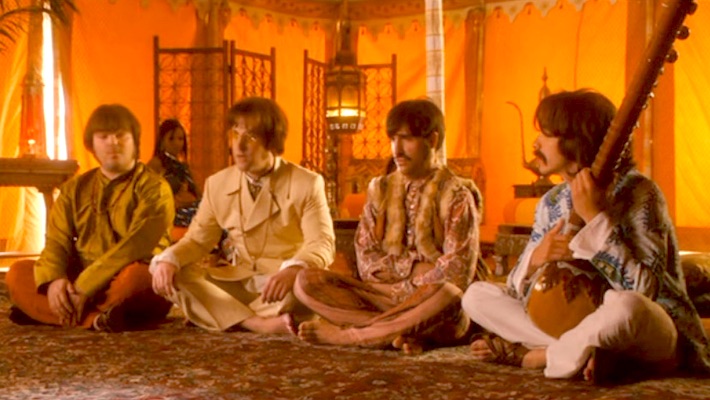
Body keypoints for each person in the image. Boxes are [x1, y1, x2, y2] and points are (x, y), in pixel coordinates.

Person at [461, 89, 710, 383]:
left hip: (653, 330)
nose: (536, 143)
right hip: (573, 325)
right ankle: (583, 350)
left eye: (547, 134)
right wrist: (535, 259)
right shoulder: (551, 202)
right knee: (476, 296)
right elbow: (517, 290)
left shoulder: (641, 194)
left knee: (627, 307)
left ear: (577, 141)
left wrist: (596, 218)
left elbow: (644, 292)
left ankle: (540, 356)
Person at [294, 99, 487, 353]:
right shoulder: (381, 190)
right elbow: (366, 264)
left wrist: (399, 285)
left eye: (406, 139)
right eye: (393, 139)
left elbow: (456, 275)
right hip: (384, 300)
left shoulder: (457, 195)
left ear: (432, 140)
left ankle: (352, 335)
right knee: (305, 282)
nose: (397, 150)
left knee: (449, 293)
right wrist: (415, 270)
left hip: (436, 306)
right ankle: (403, 332)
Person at [150, 97, 335, 334]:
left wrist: (293, 270)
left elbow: (321, 242)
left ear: (272, 141)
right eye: (235, 134)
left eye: (251, 136)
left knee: (306, 287)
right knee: (172, 273)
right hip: (239, 282)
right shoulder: (217, 184)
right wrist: (170, 259)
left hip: (283, 285)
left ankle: (219, 313)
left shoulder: (307, 183)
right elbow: (197, 241)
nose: (239, 145)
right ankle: (256, 323)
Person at [5, 104, 175, 332]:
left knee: (139, 278)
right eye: (103, 136)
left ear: (135, 142)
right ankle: (96, 320)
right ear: (91, 144)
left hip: (124, 276)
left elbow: (136, 246)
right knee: (18, 273)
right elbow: (56, 242)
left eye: (121, 135)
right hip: (79, 278)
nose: (113, 143)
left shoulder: (155, 188)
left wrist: (85, 286)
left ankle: (51, 312)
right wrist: (54, 281)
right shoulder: (75, 189)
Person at [147, 118, 200, 228]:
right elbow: (148, 196)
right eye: (171, 139)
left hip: (187, 207)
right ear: (162, 141)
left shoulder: (183, 167)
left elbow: (197, 192)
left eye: (180, 139)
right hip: (169, 213)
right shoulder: (156, 164)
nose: (177, 143)